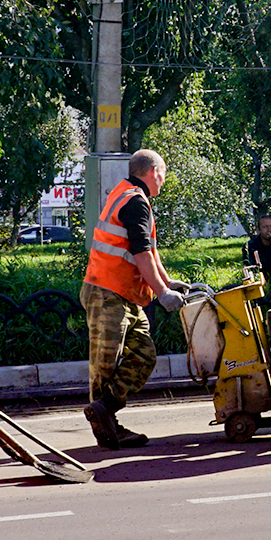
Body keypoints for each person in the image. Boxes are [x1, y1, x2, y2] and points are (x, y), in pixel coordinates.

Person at [80, 148, 191, 448]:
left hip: (123, 295)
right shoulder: (134, 201)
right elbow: (141, 253)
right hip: (107, 292)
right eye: (163, 176)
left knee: (144, 354)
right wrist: (162, 293)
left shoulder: (128, 195)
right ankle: (106, 427)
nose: (163, 183)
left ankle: (104, 411)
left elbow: (148, 252)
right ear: (154, 171)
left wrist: (167, 283)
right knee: (105, 365)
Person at [244, 212, 271, 284]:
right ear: (259, 229)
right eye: (265, 227)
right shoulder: (250, 246)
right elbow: (250, 267)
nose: (269, 230)